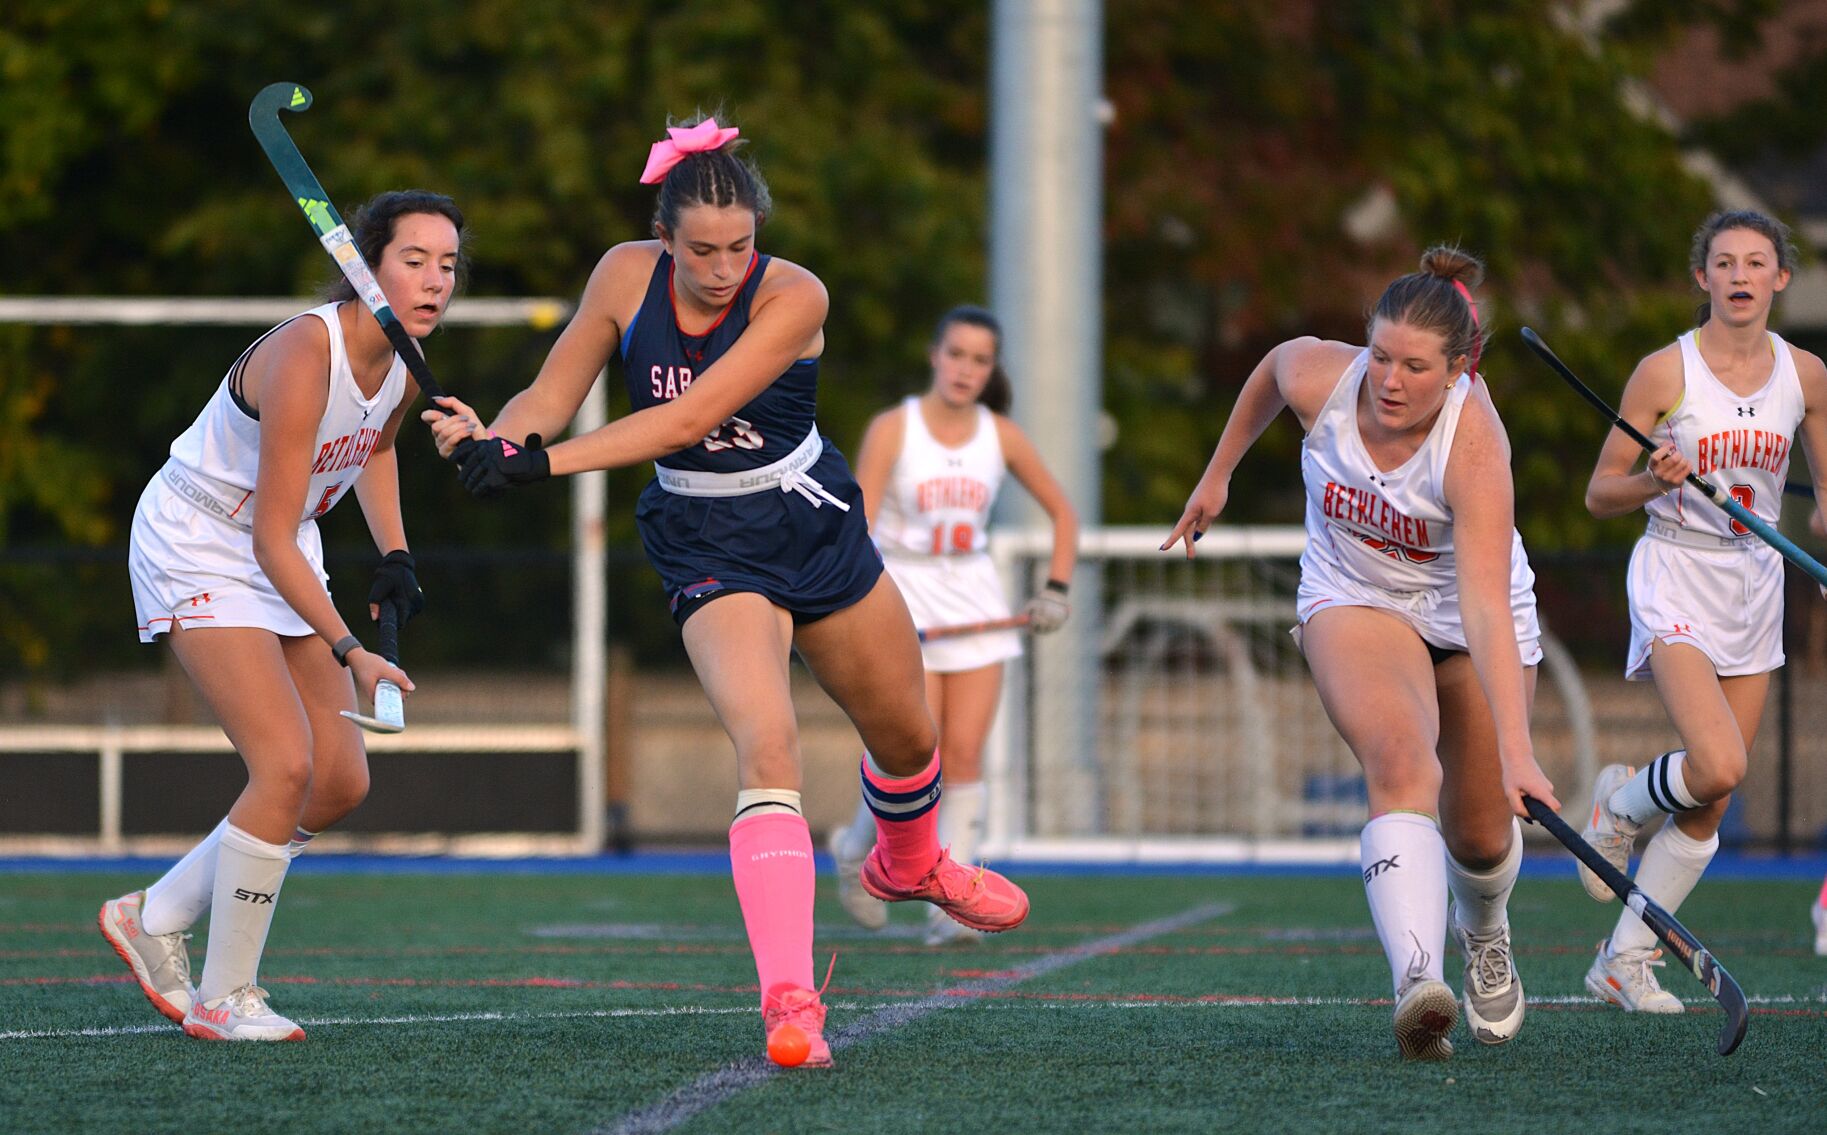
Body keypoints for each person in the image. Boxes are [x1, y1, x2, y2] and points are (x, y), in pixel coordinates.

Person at [423, 116, 1030, 1068]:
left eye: (739, 246)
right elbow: (548, 395)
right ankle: (790, 1001)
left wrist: (541, 468)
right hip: (706, 535)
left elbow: (688, 416)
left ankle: (909, 864)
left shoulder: (793, 293)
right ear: (662, 237)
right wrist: (499, 439)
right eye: (700, 250)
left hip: (808, 513)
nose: (721, 268)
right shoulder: (623, 277)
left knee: (911, 737)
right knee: (770, 741)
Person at [1164, 246, 1558, 1060]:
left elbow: (1485, 606)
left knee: (1480, 834)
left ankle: (1483, 929)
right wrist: (1217, 473)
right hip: (1356, 596)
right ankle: (1418, 981)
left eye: (1414, 366)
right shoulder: (1323, 378)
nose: (1388, 379)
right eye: (1379, 354)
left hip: (1467, 616)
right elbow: (1272, 369)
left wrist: (1518, 749)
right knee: (1400, 761)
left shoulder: (1475, 447)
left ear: (1458, 371)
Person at [98, 190, 459, 1041]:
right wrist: (349, 646)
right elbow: (266, 536)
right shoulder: (306, 350)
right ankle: (226, 997)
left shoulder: (403, 359)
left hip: (280, 539)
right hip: (203, 534)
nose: (435, 282)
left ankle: (153, 914)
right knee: (285, 763)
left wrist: (396, 554)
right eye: (413, 261)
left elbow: (372, 445)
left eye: (447, 265)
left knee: (340, 780)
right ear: (362, 267)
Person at [1578, 210, 1827, 1005]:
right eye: (1725, 263)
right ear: (1703, 278)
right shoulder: (1664, 372)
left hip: (1754, 583)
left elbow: (1824, 500)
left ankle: (1622, 957)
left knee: (1713, 797)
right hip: (1674, 573)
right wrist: (1655, 477)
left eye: (1757, 263)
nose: (1741, 276)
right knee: (1718, 762)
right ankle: (1619, 803)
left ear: (1779, 278)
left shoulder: (1807, 376)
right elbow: (1598, 493)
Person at [827, 306, 1079, 944]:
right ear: (935, 355)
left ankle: (949, 905)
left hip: (973, 603)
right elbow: (853, 520)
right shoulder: (895, 428)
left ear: (991, 370)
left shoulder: (1000, 435)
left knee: (965, 756)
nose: (966, 369)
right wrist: (863, 600)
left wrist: (1055, 590)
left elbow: (1063, 516)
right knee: (913, 751)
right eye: (957, 354)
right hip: (899, 597)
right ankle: (858, 852)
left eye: (980, 360)